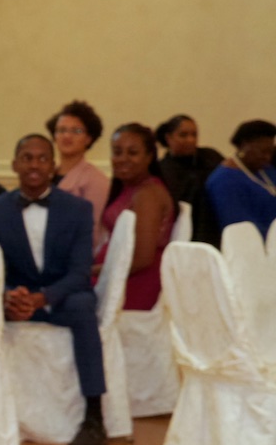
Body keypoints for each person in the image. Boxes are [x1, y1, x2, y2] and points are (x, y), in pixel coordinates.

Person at [0, 135, 108, 445]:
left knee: (83, 307)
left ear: (53, 166)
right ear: (15, 165)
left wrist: (43, 297)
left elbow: (80, 272)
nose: (35, 165)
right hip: (19, 300)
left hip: (62, 297)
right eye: (27, 158)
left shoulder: (78, 209)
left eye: (42, 158)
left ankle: (94, 416)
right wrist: (9, 297)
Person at [95, 124, 175, 311]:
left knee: (67, 300)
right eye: (117, 152)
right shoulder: (130, 187)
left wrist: (92, 271)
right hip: (116, 275)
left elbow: (142, 259)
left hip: (135, 282)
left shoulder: (148, 194)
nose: (123, 159)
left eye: (132, 153)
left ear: (149, 157)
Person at [46, 100, 111, 249]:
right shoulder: (46, 175)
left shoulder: (96, 181)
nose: (67, 136)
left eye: (76, 131)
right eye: (61, 130)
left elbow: (91, 234)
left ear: (88, 138)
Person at [155, 114, 224, 246]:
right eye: (183, 135)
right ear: (169, 138)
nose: (190, 140)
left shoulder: (211, 157)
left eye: (194, 135)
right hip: (185, 233)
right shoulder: (162, 170)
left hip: (216, 225)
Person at [205, 119, 276, 235]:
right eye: (263, 152)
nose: (267, 157)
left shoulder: (266, 170)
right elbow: (240, 227)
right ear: (244, 145)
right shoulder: (224, 181)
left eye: (270, 152)